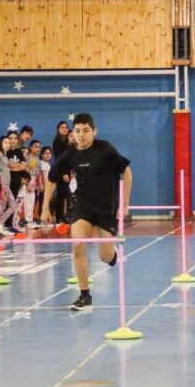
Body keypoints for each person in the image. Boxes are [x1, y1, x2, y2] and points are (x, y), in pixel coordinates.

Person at [41, 113, 132, 310]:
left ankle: (112, 254)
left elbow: (126, 171)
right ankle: (84, 296)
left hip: (106, 206)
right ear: (73, 133)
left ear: (94, 131)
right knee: (78, 245)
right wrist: (45, 207)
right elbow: (51, 178)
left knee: (104, 256)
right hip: (81, 205)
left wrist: (124, 203)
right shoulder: (70, 155)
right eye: (78, 131)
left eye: (86, 131)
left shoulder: (105, 149)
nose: (82, 135)